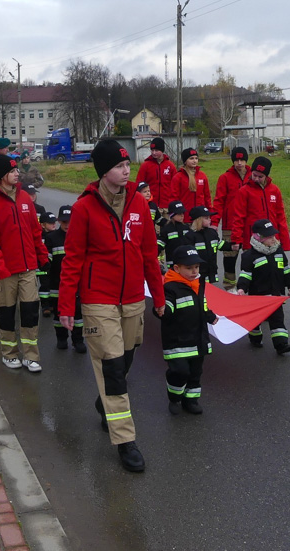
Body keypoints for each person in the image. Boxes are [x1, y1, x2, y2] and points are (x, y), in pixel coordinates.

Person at [58, 139, 166, 473]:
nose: (127, 169)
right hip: (97, 300)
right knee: (114, 368)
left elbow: (150, 253)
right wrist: (66, 306)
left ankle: (104, 401)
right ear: (104, 172)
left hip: (133, 296)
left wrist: (158, 297)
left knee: (127, 356)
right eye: (120, 166)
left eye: (127, 164)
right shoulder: (84, 208)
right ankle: (125, 440)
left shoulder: (138, 204)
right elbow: (73, 259)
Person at [0, 154, 50, 373]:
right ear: (3, 176)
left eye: (16, 170)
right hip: (5, 272)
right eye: (12, 171)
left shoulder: (24, 199)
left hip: (28, 268)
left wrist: (41, 256)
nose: (16, 173)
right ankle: (9, 354)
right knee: (6, 313)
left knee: (31, 312)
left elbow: (35, 231)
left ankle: (31, 356)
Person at [158, 245, 218, 415]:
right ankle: (175, 397)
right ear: (177, 268)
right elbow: (166, 307)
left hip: (197, 338)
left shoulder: (198, 284)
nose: (194, 271)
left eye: (196, 267)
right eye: (189, 268)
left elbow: (201, 304)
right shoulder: (171, 287)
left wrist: (209, 315)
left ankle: (190, 400)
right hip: (177, 340)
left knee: (195, 372)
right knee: (180, 371)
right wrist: (162, 310)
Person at [236, 219, 290, 355]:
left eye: (273, 236)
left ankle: (281, 344)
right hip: (258, 296)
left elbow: (286, 270)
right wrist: (242, 288)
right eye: (269, 237)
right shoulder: (249, 256)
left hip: (276, 296)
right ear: (259, 238)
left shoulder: (279, 252)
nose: (273, 240)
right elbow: (246, 274)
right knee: (256, 320)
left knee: (278, 319)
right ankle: (255, 337)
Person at [44, 205, 87, 353]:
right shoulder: (51, 238)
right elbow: (46, 261)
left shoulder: (81, 236)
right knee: (58, 314)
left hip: (77, 284)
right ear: (59, 221)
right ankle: (61, 338)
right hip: (57, 283)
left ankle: (78, 340)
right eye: (63, 222)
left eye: (69, 221)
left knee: (78, 315)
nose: (67, 225)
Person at [231, 157, 290, 252]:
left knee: (274, 266)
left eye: (260, 177)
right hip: (252, 240)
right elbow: (238, 217)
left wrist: (285, 242)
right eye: (254, 175)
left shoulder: (274, 190)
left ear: (266, 176)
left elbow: (280, 217)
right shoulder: (244, 191)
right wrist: (236, 239)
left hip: (272, 240)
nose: (256, 179)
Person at [211, 147, 250, 287]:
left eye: (242, 160)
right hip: (230, 224)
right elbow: (219, 201)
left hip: (249, 224)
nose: (239, 163)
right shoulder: (225, 178)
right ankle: (230, 286)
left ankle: (248, 286)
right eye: (236, 160)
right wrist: (215, 222)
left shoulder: (253, 175)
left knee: (250, 257)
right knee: (230, 256)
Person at [185, 206, 228, 284]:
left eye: (209, 217)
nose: (210, 220)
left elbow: (219, 244)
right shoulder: (190, 236)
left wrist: (232, 246)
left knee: (209, 291)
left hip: (211, 269)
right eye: (206, 218)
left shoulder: (212, 233)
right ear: (199, 220)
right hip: (198, 272)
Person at [135, 137, 176, 216]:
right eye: (152, 150)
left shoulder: (170, 166)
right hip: (151, 205)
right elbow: (139, 185)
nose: (154, 153)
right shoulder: (145, 166)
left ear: (162, 150)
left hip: (167, 205)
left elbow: (175, 186)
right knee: (153, 227)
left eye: (156, 150)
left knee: (167, 227)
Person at [170, 148, 212, 223]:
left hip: (200, 217)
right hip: (185, 217)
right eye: (191, 158)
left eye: (196, 158)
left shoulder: (202, 176)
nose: (194, 160)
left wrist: (209, 214)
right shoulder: (178, 177)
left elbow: (207, 197)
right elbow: (174, 198)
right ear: (185, 161)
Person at [158, 201, 191, 270]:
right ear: (172, 215)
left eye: (183, 213)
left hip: (186, 260)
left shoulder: (186, 227)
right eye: (179, 213)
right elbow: (160, 245)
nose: (182, 215)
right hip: (172, 262)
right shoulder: (167, 229)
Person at [38, 211, 58, 317]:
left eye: (54, 222)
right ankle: (45, 306)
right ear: (43, 225)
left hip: (53, 266)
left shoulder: (55, 235)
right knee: (45, 286)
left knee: (53, 285)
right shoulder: (39, 236)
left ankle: (51, 304)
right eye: (50, 223)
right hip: (41, 267)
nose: (54, 224)